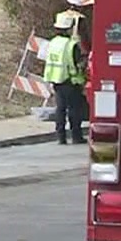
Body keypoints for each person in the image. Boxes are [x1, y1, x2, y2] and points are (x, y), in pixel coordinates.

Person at [45, 12, 87, 144]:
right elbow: (77, 63)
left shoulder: (52, 43)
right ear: (69, 28)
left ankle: (61, 137)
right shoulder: (71, 44)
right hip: (71, 81)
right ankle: (76, 136)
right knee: (74, 110)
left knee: (60, 109)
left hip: (56, 80)